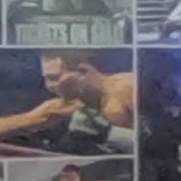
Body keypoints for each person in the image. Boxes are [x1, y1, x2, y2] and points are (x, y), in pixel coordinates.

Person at [0, 55, 137, 155]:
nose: (50, 86)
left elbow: (156, 144)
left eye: (54, 78)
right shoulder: (67, 105)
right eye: (46, 79)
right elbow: (24, 121)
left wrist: (112, 134)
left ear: (83, 71)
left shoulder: (126, 87)